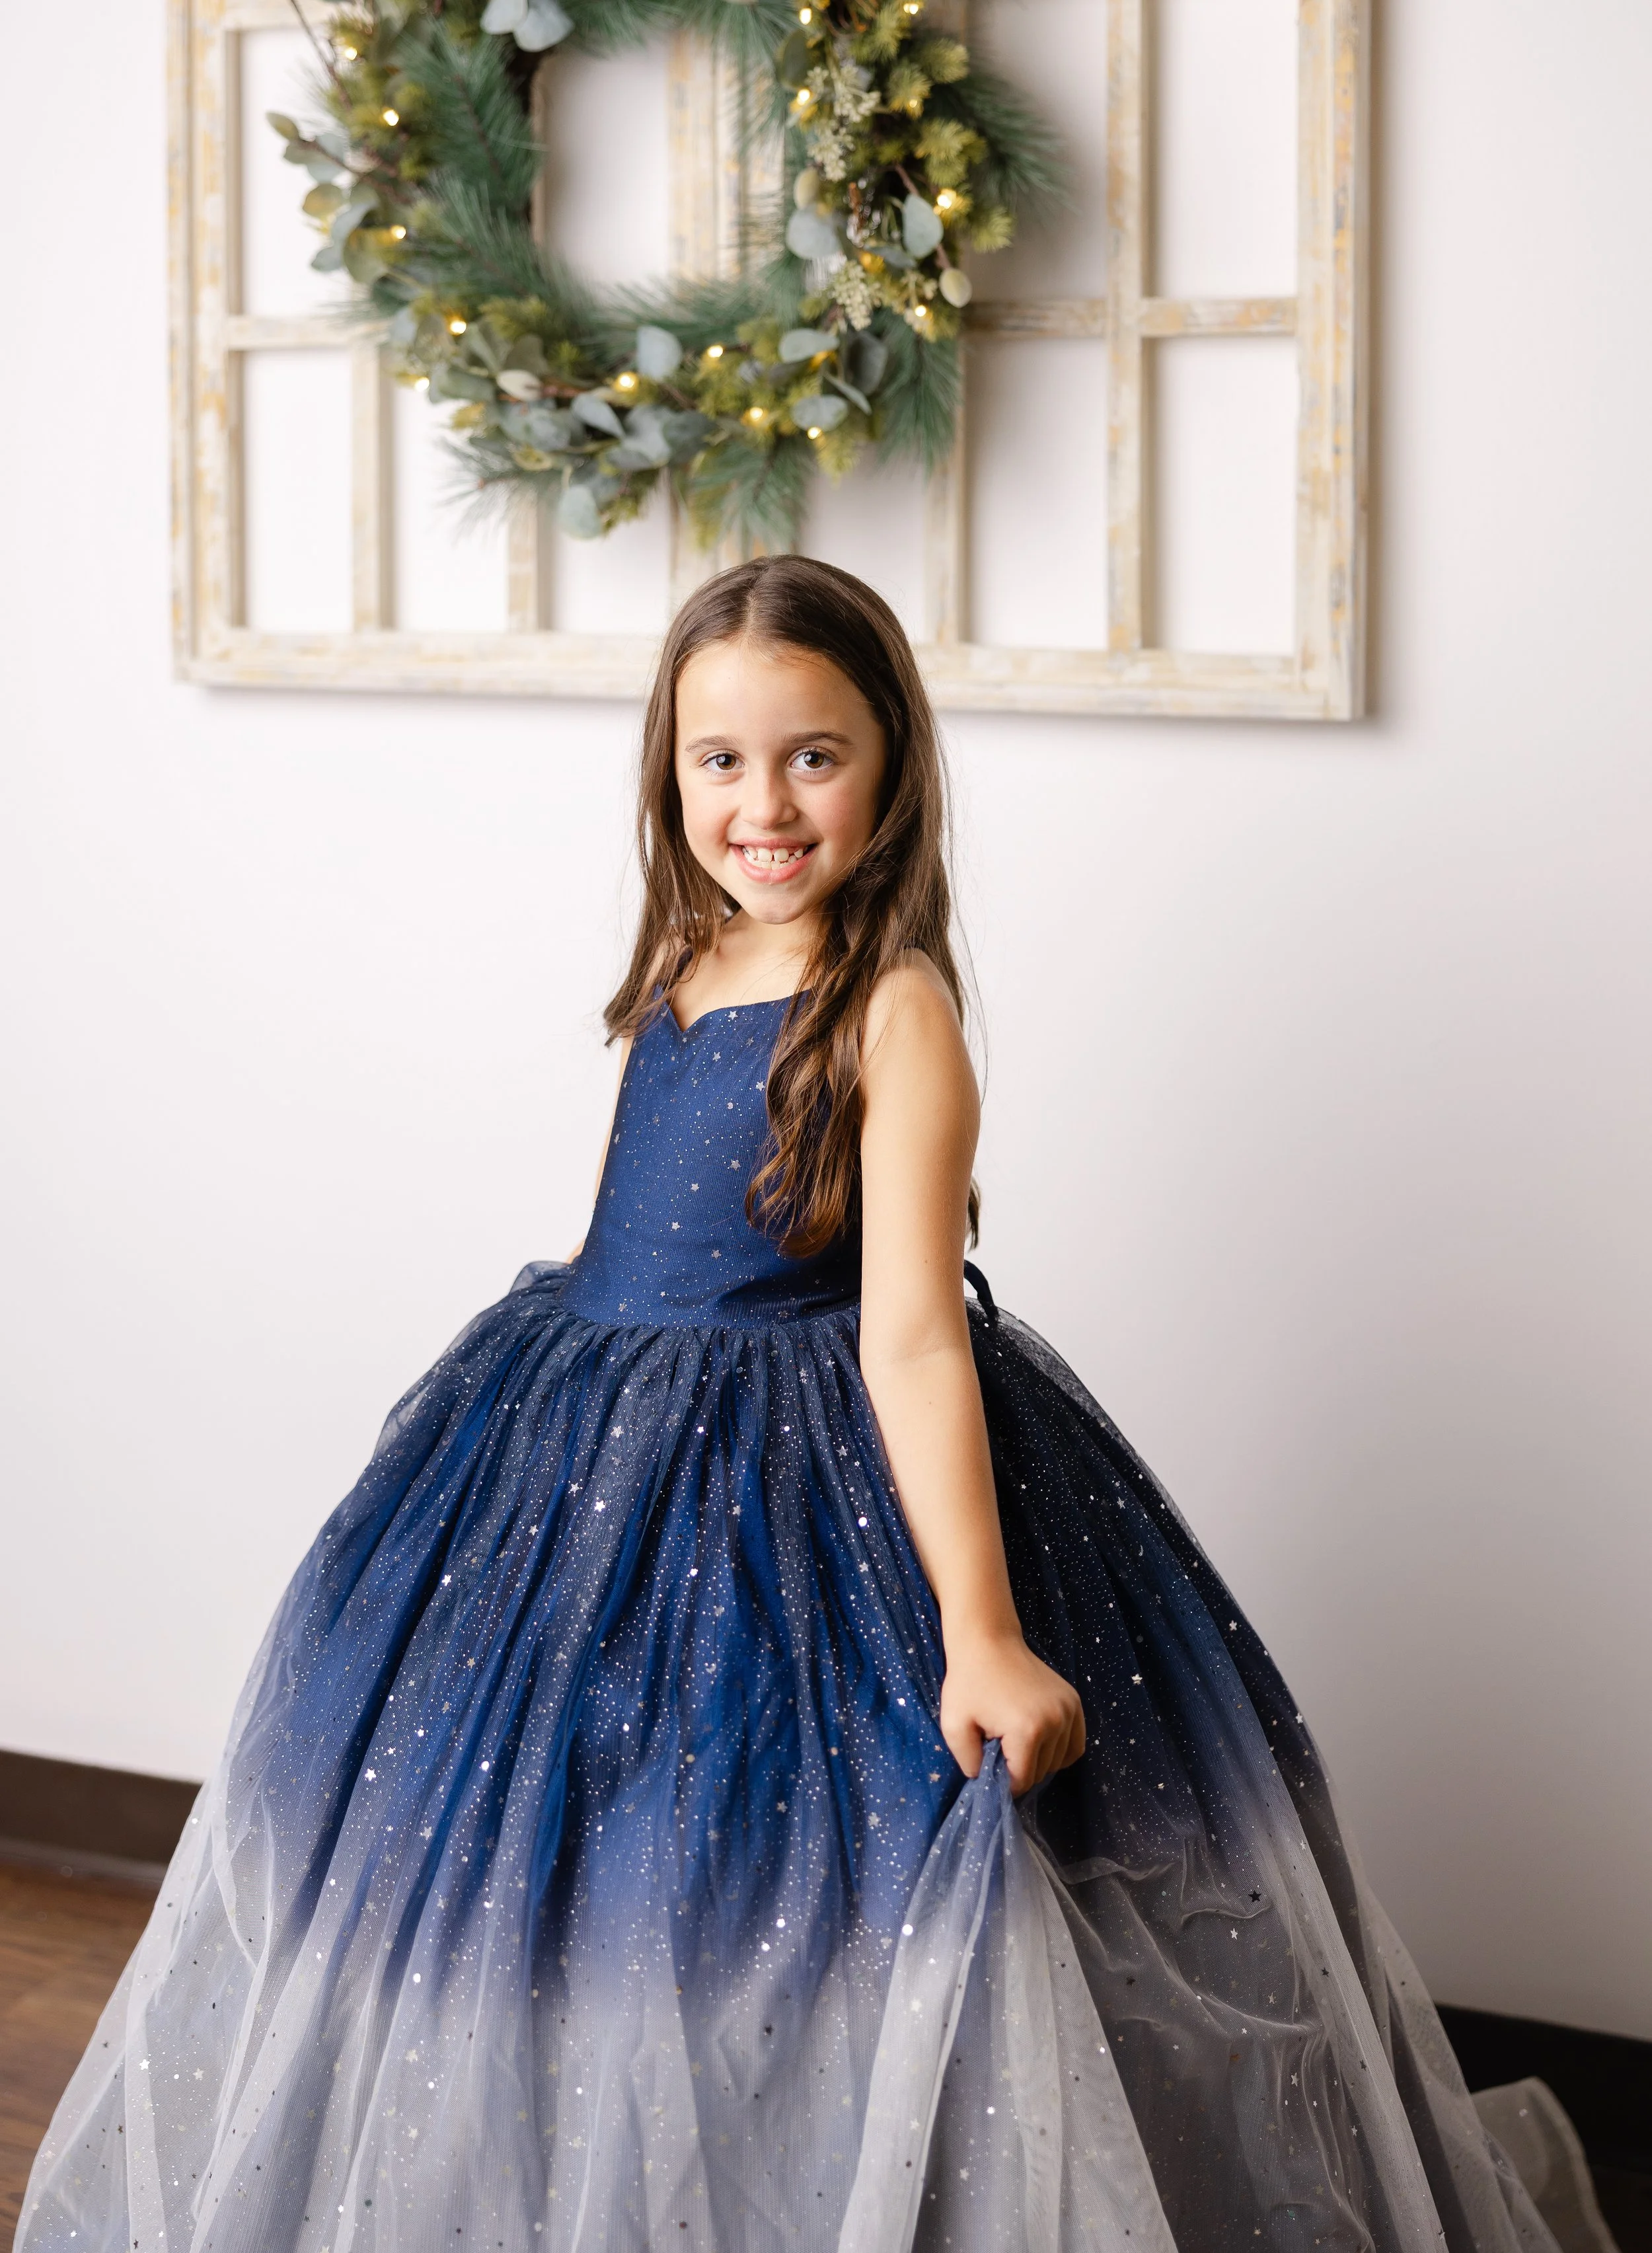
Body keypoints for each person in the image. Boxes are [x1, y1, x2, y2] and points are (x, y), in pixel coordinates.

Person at [20, 559, 1556, 2253]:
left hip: (806, 1493)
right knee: (571, 1891)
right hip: (583, 1459)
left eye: (811, 756)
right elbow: (640, 1261)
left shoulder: (891, 1011)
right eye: (719, 761)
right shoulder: (679, 971)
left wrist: (980, 1632)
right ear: (667, 777)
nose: (762, 803)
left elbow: (906, 1337)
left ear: (891, 762)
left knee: (803, 1891)